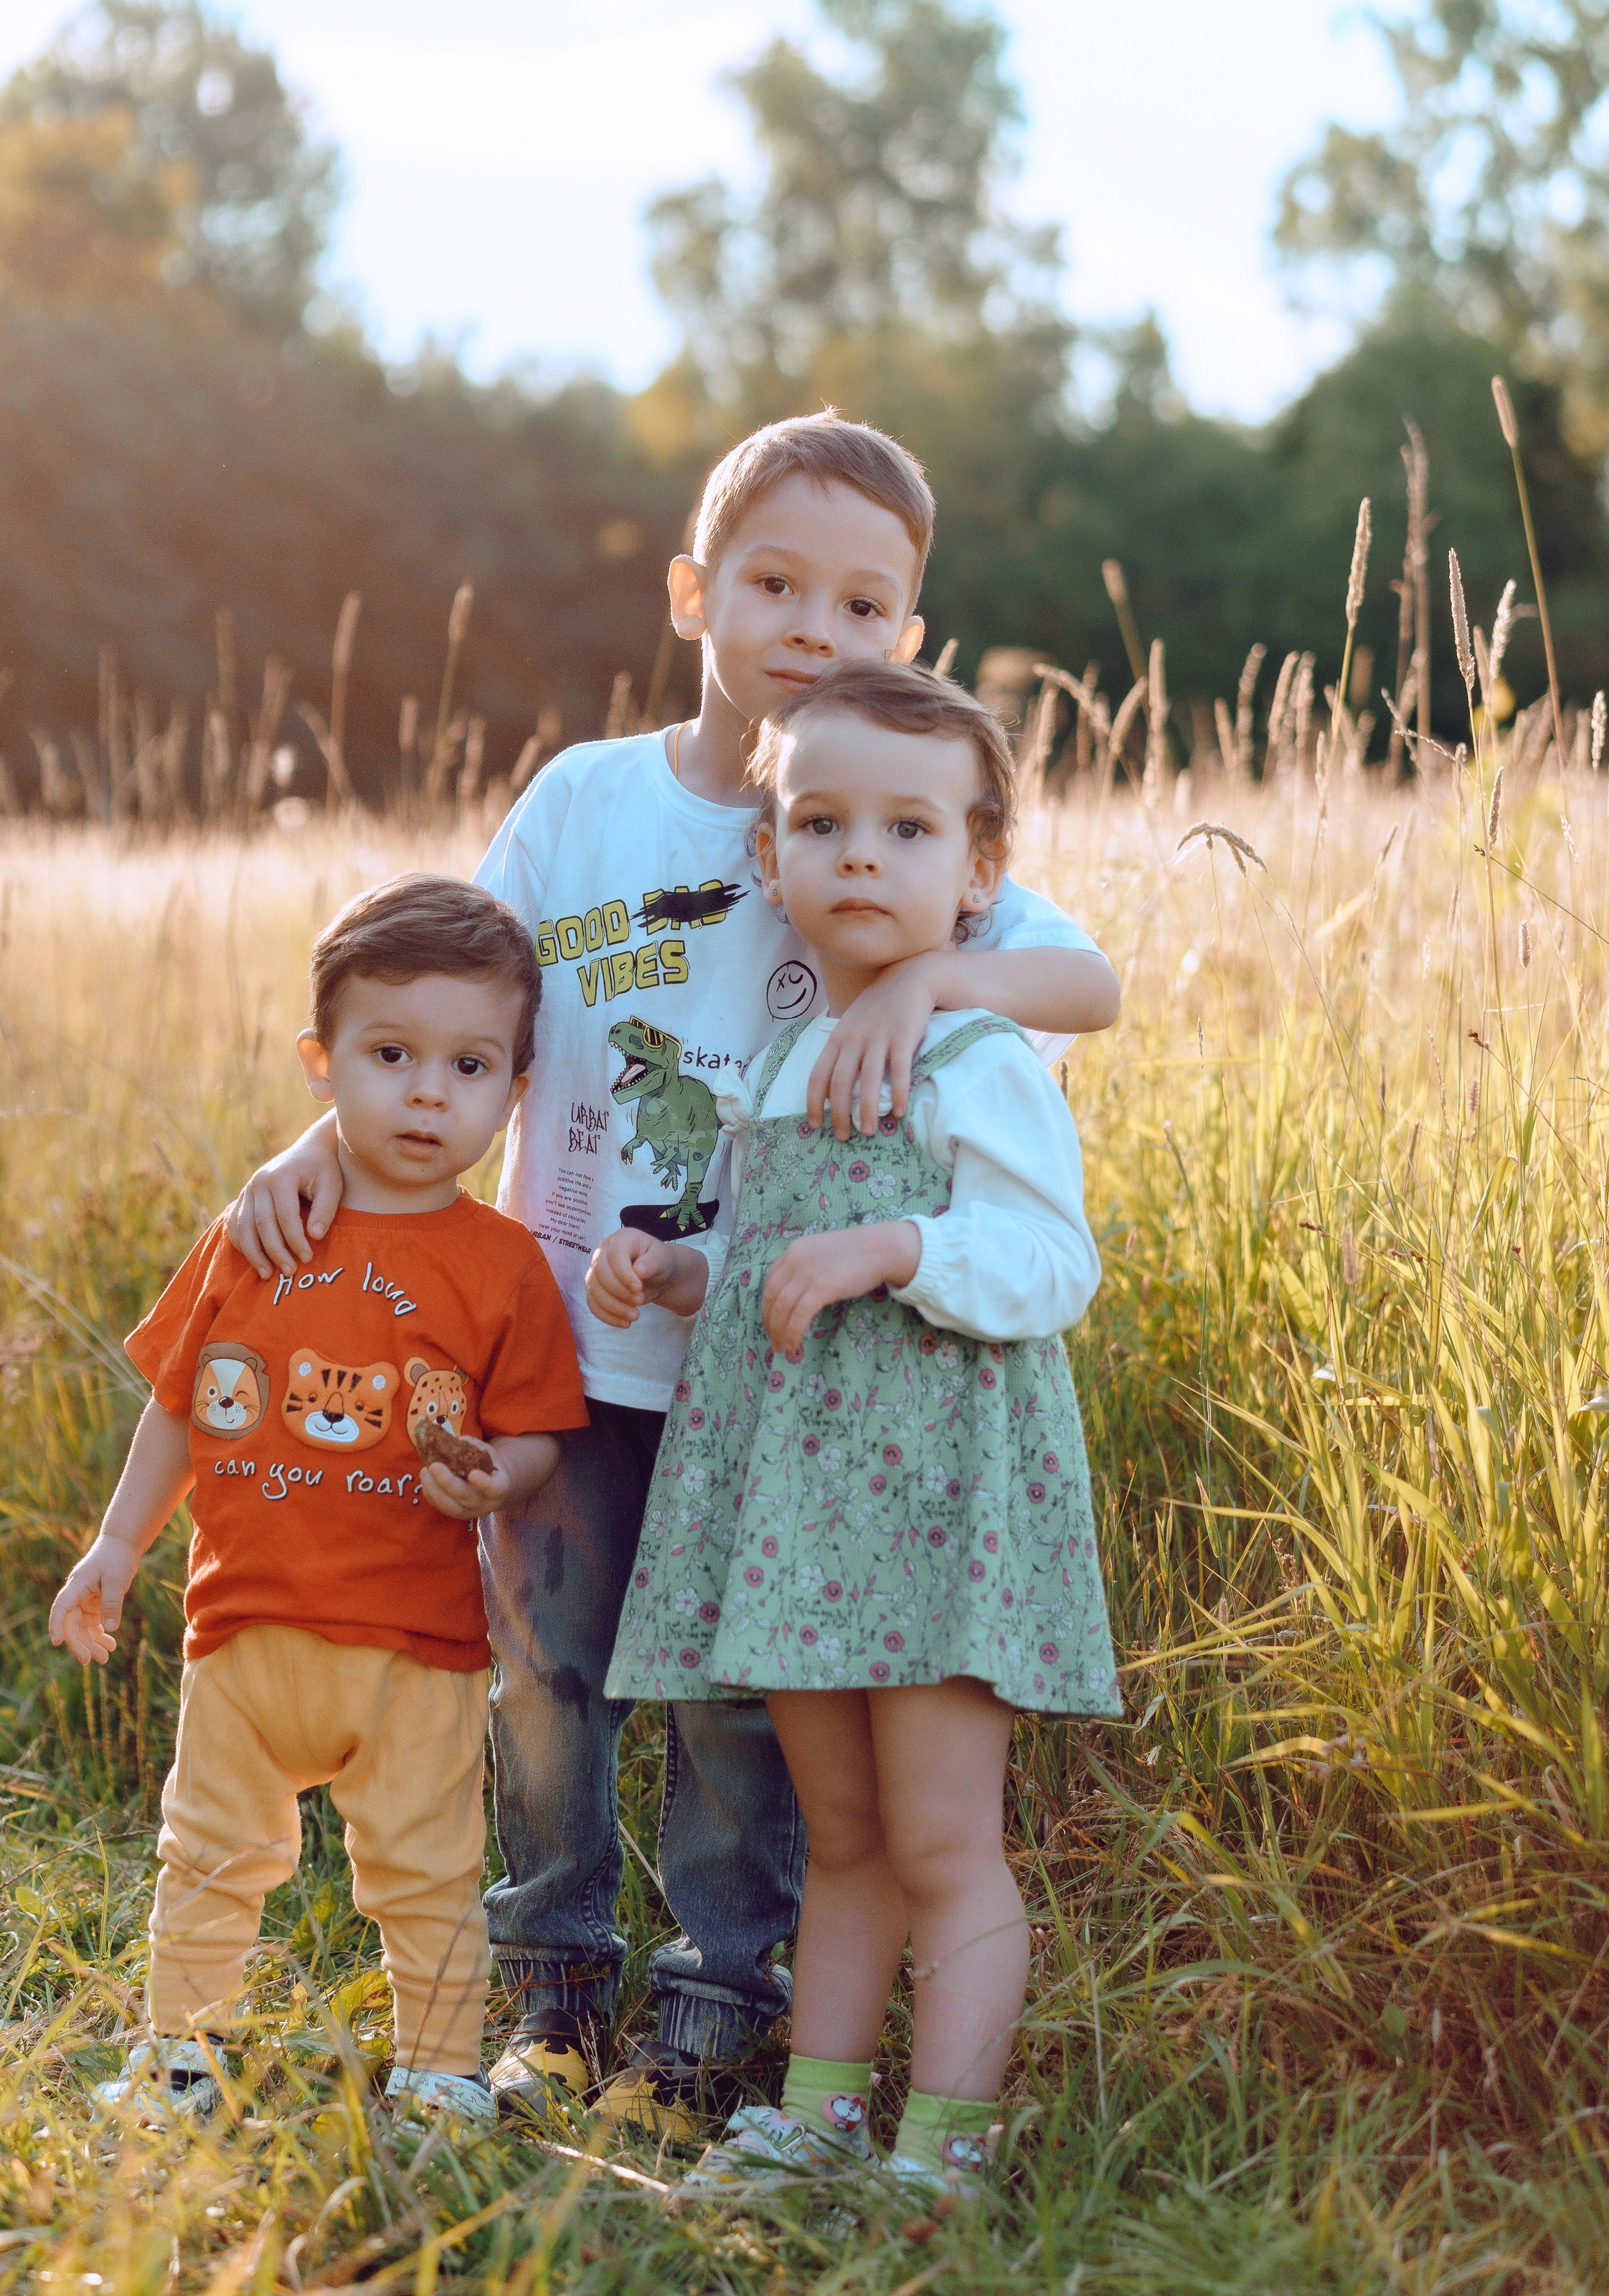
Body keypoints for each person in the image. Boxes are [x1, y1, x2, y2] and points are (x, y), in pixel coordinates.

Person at [225, 413, 1120, 2138]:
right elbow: (451, 1002)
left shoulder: (872, 812)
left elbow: (1085, 984)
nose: (816, 627)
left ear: (909, 637)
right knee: (546, 1672)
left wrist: (919, 995)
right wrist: (313, 1154)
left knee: (731, 1703)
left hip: (762, 1384)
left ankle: (717, 2008)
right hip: (556, 1348)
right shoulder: (591, 802)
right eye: (775, 583)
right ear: (693, 589)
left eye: (864, 604)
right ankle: (548, 1990)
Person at [593, 659, 1120, 2191]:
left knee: (942, 1835)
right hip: (803, 1520)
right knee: (843, 1834)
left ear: (976, 876)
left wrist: (895, 1247)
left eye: (905, 828)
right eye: (821, 823)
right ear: (770, 860)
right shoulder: (772, 1062)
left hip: (942, 1508)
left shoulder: (975, 1055)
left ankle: (941, 2145)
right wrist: (680, 1269)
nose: (860, 856)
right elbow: (775, 1260)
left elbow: (1047, 1261)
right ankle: (816, 2114)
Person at [48, 876, 588, 2126]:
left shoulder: (502, 1265)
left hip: (415, 1645)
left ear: (513, 1093)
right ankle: (181, 2054)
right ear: (321, 1061)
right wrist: (118, 1545)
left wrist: (495, 1479)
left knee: (426, 1871)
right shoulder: (262, 1229)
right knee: (209, 1855)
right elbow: (181, 1402)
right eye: (390, 1055)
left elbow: (541, 1435)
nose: (425, 1092)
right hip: (243, 1629)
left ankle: (442, 2068)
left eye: (468, 1066)